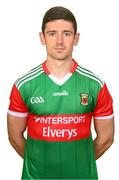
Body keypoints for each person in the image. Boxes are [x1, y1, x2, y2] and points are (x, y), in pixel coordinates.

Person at [7, 6, 114, 179]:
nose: (59, 41)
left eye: (66, 33)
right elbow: (14, 136)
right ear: (42, 38)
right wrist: (40, 164)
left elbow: (106, 139)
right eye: (52, 34)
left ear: (76, 38)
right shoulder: (24, 85)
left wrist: (77, 163)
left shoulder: (95, 85)